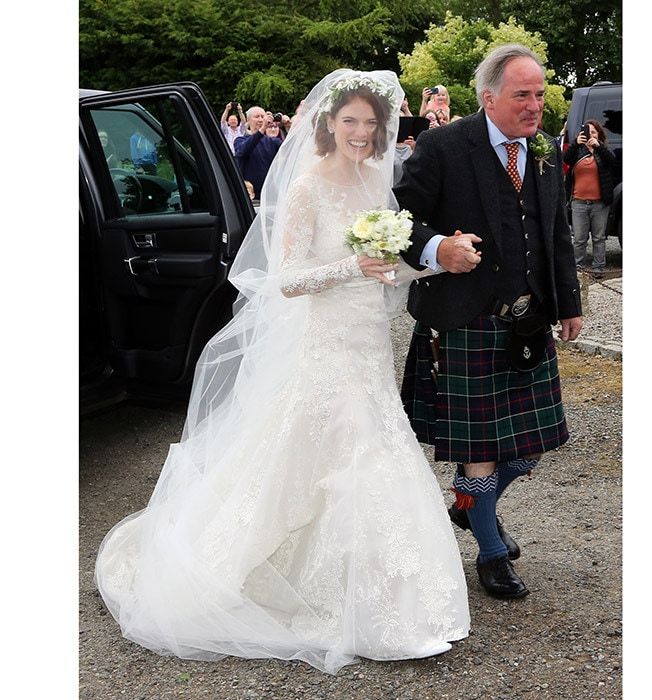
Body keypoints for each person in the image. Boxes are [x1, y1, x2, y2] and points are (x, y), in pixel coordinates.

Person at [94, 69, 470, 675]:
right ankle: (362, 611)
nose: (361, 133)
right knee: (355, 456)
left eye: (371, 124)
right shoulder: (305, 188)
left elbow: (387, 270)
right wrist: (353, 266)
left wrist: (437, 264)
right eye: (350, 122)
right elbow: (287, 281)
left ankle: (397, 603)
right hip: (323, 346)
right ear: (327, 124)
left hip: (368, 344)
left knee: (370, 452)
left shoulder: (377, 184)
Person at [394, 44, 583, 600]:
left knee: (530, 447)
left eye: (540, 95)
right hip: (464, 323)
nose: (534, 106)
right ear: (489, 97)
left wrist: (568, 302)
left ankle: (468, 503)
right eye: (522, 95)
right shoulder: (444, 145)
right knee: (480, 450)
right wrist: (436, 248)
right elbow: (395, 217)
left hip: (528, 322)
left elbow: (556, 233)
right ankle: (491, 554)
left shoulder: (544, 150)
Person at [563, 119, 617, 278]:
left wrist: (598, 147)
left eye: (593, 132)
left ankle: (598, 268)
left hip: (600, 203)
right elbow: (565, 159)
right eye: (587, 132)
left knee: (599, 238)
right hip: (579, 202)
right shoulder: (577, 150)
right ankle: (577, 268)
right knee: (579, 238)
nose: (590, 135)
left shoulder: (603, 150)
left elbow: (612, 161)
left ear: (599, 134)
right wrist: (576, 144)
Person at [234, 107, 283, 198]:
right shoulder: (240, 140)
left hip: (269, 194)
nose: (260, 120)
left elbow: (290, 149)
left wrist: (289, 126)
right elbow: (243, 151)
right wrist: (263, 129)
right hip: (250, 196)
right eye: (257, 117)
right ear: (248, 120)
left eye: (262, 116)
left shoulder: (272, 142)